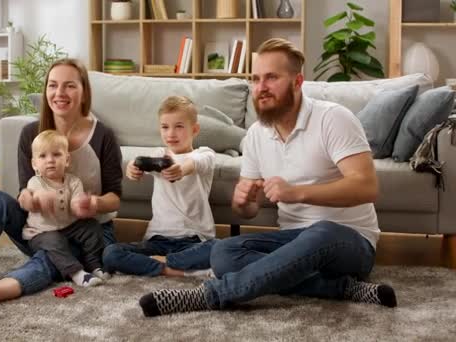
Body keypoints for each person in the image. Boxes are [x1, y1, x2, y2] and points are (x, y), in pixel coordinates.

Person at [138, 38, 397, 317]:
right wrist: (244, 201)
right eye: (256, 78)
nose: (260, 87)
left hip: (349, 242)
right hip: (291, 243)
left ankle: (213, 294)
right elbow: (247, 212)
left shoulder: (333, 119)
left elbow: (366, 187)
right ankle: (339, 289)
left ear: (298, 82)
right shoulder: (256, 136)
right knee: (224, 253)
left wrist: (297, 192)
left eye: (272, 77)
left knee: (323, 230)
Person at [0, 58, 122, 305]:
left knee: (53, 257)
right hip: (40, 230)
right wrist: (32, 200)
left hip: (87, 234)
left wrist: (92, 204)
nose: (59, 93)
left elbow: (115, 197)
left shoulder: (103, 135)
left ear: (84, 93)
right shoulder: (31, 134)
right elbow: (24, 192)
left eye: (69, 86)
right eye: (52, 85)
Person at [103, 96, 216, 278]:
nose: (171, 133)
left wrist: (181, 170)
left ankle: (159, 262)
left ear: (194, 129)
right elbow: (140, 162)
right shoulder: (159, 154)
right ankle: (174, 269)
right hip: (157, 241)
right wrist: (132, 167)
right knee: (111, 253)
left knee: (220, 248)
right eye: (165, 127)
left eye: (179, 126)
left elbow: (195, 163)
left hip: (194, 240)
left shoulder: (205, 154)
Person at [24, 130, 109, 287]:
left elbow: (76, 206)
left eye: (56, 155)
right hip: (41, 232)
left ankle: (93, 263)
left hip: (70, 227)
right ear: (34, 164)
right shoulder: (35, 183)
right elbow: (31, 200)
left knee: (92, 226)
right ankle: (76, 273)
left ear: (67, 159)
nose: (50, 160)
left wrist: (82, 205)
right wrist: (38, 199)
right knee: (53, 240)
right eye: (43, 156)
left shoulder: (74, 182)